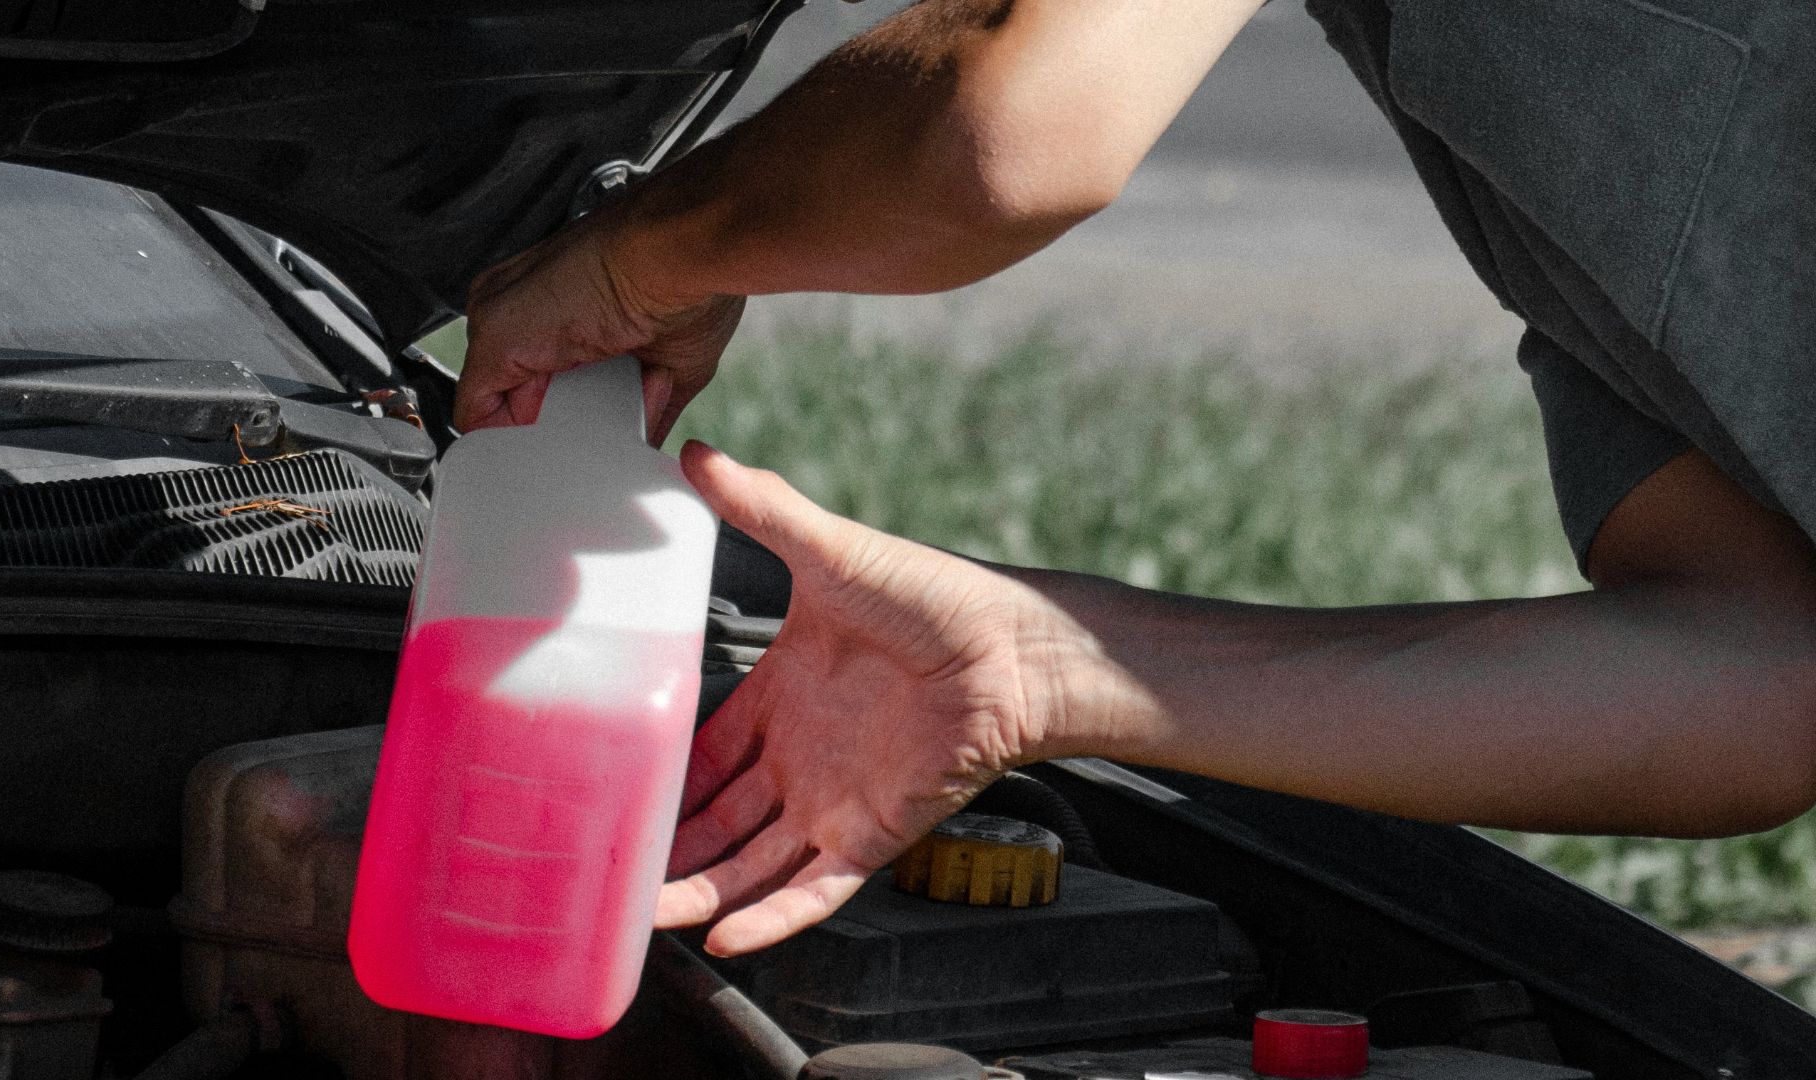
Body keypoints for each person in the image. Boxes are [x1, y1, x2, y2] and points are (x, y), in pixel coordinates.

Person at [456, 0, 1816, 958]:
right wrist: (1047, 665)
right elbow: (1761, 677)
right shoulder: (1542, 138)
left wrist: (645, 259)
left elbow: (1005, 131)